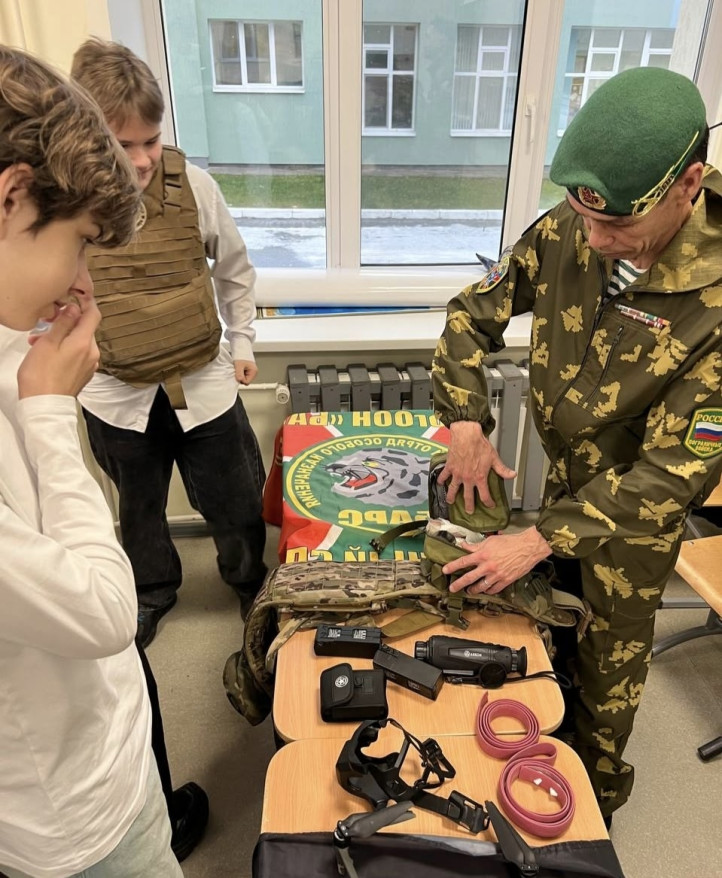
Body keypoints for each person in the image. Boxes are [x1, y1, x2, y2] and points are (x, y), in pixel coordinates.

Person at [432, 66, 722, 823]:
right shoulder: (579, 221)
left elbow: (670, 475)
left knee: (604, 687)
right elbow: (471, 313)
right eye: (582, 216)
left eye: (617, 227)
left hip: (632, 531)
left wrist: (538, 538)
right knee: (537, 642)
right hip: (564, 488)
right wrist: (466, 418)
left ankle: (593, 818)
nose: (593, 241)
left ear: (689, 185)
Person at [0, 44, 183, 877]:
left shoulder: (18, 334)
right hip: (73, 815)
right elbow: (106, 612)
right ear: (12, 197)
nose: (81, 278)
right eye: (77, 244)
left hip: (104, 744)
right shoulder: (34, 391)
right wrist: (49, 410)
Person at [71, 38, 267, 648]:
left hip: (201, 380)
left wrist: (243, 342)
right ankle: (153, 592)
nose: (141, 160)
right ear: (85, 134)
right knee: (139, 512)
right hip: (114, 393)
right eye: (122, 144)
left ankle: (250, 585)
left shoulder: (194, 186)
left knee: (235, 499)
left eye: (151, 141)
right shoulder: (63, 203)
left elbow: (234, 269)